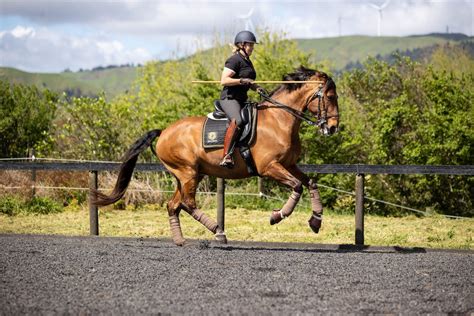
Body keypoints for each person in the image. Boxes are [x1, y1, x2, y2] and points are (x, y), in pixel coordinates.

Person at [219, 30, 266, 168]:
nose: (252, 48)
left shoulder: (247, 61)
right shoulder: (234, 60)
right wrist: (241, 80)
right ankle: (226, 155)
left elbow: (248, 81)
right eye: (250, 45)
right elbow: (224, 80)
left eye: (252, 45)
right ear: (241, 45)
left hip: (242, 99)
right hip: (230, 99)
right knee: (238, 120)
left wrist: (256, 88)